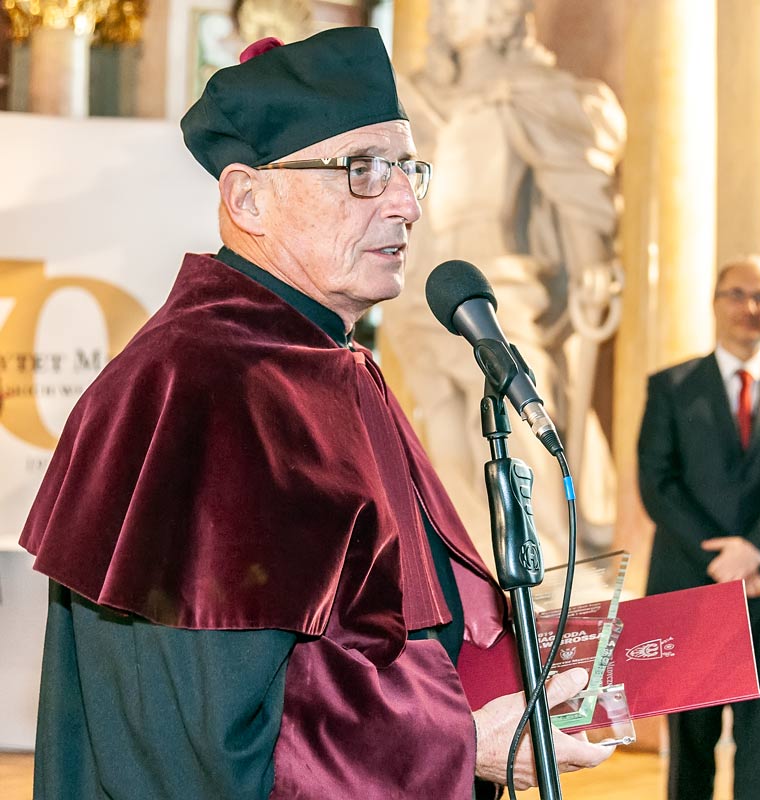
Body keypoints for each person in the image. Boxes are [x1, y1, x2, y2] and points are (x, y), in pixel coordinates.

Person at [19, 27, 611, 799]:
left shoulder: (327, 357)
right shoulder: (194, 384)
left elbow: (378, 633)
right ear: (248, 197)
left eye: (407, 168)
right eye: (362, 170)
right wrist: (459, 741)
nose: (405, 203)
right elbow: (214, 735)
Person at [382, 0, 626, 567]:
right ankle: (473, 561)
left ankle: (549, 557)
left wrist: (590, 257)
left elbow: (578, 173)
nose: (455, 10)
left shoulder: (530, 91)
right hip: (421, 279)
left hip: (496, 277)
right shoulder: (411, 98)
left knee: (516, 417)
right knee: (438, 425)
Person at [637, 255, 760, 800]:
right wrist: (722, 562)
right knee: (690, 753)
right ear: (716, 302)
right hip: (691, 590)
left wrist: (756, 553)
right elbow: (658, 484)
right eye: (738, 294)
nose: (750, 307)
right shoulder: (670, 387)